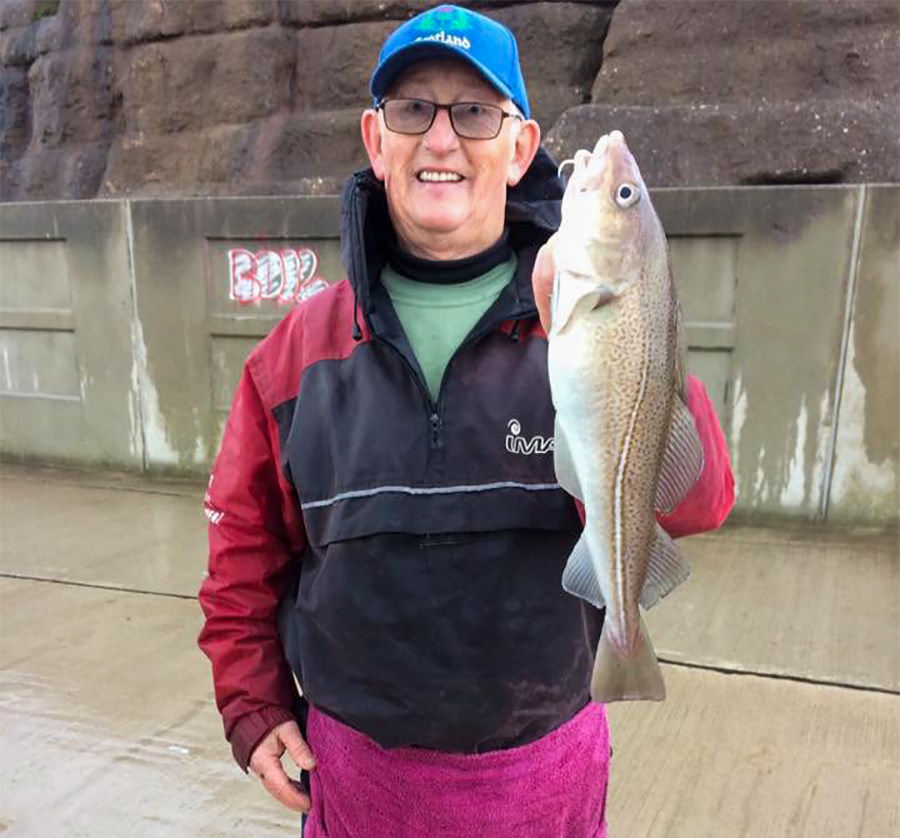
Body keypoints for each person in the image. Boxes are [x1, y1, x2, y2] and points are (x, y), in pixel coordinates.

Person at [197, 5, 734, 836]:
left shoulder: (585, 318)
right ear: (376, 142)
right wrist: (250, 700)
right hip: (358, 772)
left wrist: (640, 326)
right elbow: (242, 548)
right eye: (414, 110)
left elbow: (699, 503)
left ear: (520, 149)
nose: (441, 140)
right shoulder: (293, 355)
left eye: (476, 113)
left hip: (546, 766)